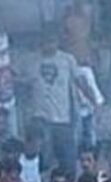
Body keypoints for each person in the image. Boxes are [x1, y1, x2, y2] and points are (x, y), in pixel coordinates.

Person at [25, 30, 93, 172]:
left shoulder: (67, 60)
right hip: (40, 118)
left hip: (63, 119)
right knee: (43, 160)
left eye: (52, 41)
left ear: (57, 41)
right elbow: (24, 86)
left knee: (67, 159)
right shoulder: (32, 61)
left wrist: (92, 99)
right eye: (46, 41)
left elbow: (80, 80)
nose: (49, 45)